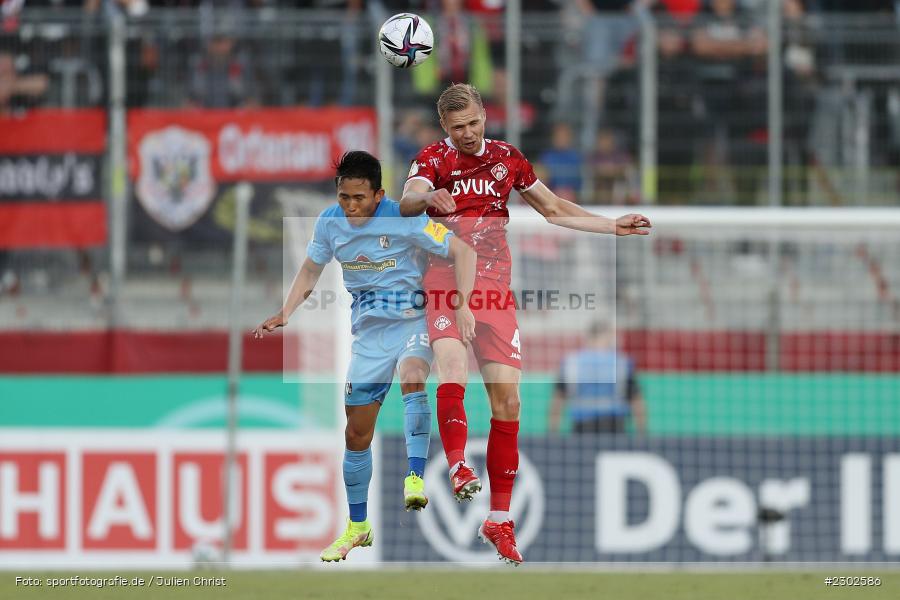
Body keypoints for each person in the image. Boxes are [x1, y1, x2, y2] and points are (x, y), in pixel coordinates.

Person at [400, 83, 651, 564]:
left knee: (509, 400)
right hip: (445, 275)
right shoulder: (431, 160)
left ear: (483, 115)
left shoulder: (507, 159)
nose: (469, 133)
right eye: (458, 127)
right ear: (444, 129)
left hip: (495, 287)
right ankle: (456, 466)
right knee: (451, 363)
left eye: (474, 122)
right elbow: (408, 202)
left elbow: (555, 210)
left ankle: (498, 519)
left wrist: (612, 225)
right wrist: (430, 194)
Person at [254, 151, 477, 562]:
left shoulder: (404, 217)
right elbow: (309, 270)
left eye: (359, 197)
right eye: (344, 197)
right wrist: (286, 312)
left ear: (379, 195)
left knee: (414, 375)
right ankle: (358, 527)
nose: (351, 206)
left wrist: (462, 304)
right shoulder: (329, 223)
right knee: (356, 433)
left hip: (413, 320)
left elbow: (463, 252)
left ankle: (414, 477)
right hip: (368, 336)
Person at [548, 320, 646, 435]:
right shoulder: (621, 363)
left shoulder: (571, 363)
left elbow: (557, 401)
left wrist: (552, 433)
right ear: (609, 338)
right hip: (614, 429)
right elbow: (637, 402)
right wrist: (642, 434)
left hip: (582, 429)